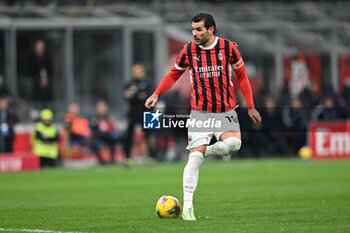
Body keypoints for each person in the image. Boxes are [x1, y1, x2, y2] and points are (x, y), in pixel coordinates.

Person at [145, 13, 262, 221]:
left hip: (226, 111)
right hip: (200, 112)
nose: (195, 34)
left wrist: (251, 106)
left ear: (211, 30)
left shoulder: (229, 48)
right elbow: (174, 74)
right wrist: (156, 93)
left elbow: (242, 76)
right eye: (193, 29)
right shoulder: (188, 50)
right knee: (194, 158)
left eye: (199, 29)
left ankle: (205, 151)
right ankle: (188, 208)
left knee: (234, 145)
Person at [124, 64, 157, 167]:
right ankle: (128, 158)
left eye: (137, 70)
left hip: (148, 112)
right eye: (134, 70)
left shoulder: (148, 82)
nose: (135, 72)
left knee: (150, 136)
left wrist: (134, 96)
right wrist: (139, 96)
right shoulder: (130, 83)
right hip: (133, 113)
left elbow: (148, 96)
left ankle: (152, 158)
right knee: (129, 136)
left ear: (142, 70)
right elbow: (125, 95)